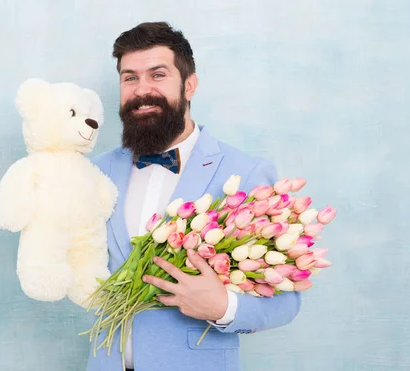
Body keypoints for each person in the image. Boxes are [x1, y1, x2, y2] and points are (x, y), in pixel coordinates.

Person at [87, 22, 301, 371]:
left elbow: (287, 301)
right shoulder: (97, 172)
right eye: (130, 78)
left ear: (190, 85)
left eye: (158, 75)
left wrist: (223, 307)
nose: (142, 90)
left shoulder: (245, 173)